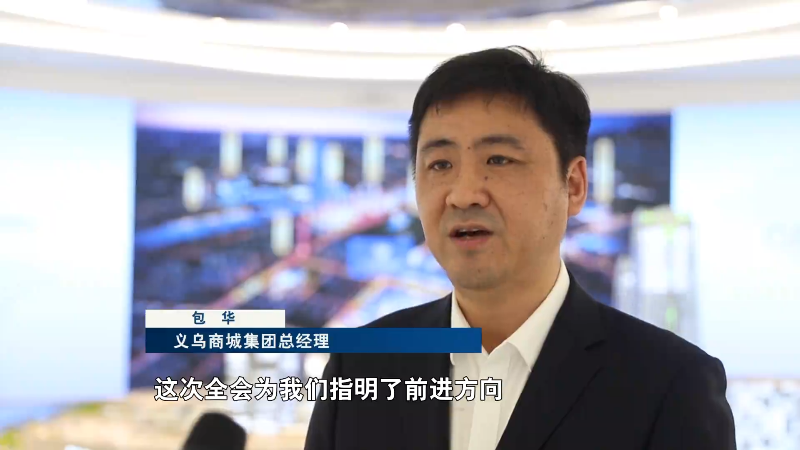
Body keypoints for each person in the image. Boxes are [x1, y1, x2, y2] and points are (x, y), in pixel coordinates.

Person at [305, 46, 736, 450]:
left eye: (498, 160)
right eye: (440, 164)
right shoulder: (360, 364)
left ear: (573, 185)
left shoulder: (668, 383)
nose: (463, 194)